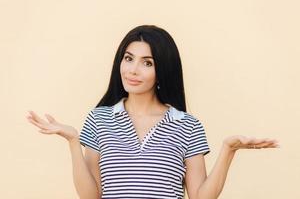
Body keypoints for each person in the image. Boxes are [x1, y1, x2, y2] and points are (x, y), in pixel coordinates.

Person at [26, 25, 280, 199]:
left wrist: (228, 150)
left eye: (147, 63)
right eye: (128, 58)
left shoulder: (187, 125)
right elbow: (92, 196)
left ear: (163, 71)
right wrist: (73, 140)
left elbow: (200, 196)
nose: (133, 70)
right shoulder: (99, 119)